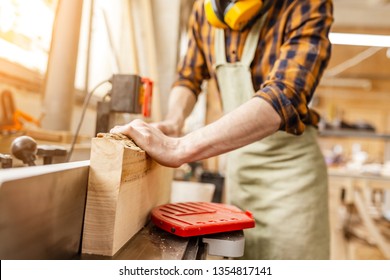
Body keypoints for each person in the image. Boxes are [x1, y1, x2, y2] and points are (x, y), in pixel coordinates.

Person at [111, 0, 333, 260]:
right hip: (243, 170)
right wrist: (174, 121)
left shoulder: (305, 5)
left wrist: (179, 147)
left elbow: (283, 97)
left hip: (291, 181)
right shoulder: (204, 10)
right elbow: (189, 77)